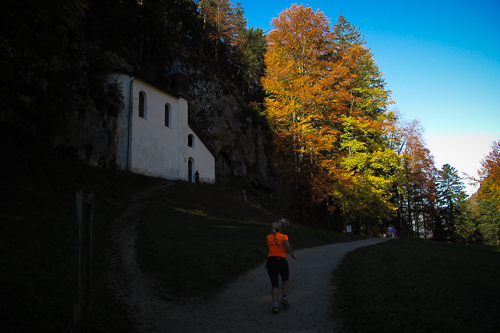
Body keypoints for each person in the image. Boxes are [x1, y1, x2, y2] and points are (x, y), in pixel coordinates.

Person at [265, 221, 297, 314]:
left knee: (274, 284)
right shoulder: (284, 236)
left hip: (271, 261)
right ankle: (284, 297)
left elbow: (268, 249)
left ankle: (275, 304)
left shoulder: (268, 237)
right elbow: (286, 244)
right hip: (281, 261)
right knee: (285, 279)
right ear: (280, 229)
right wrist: (292, 254)